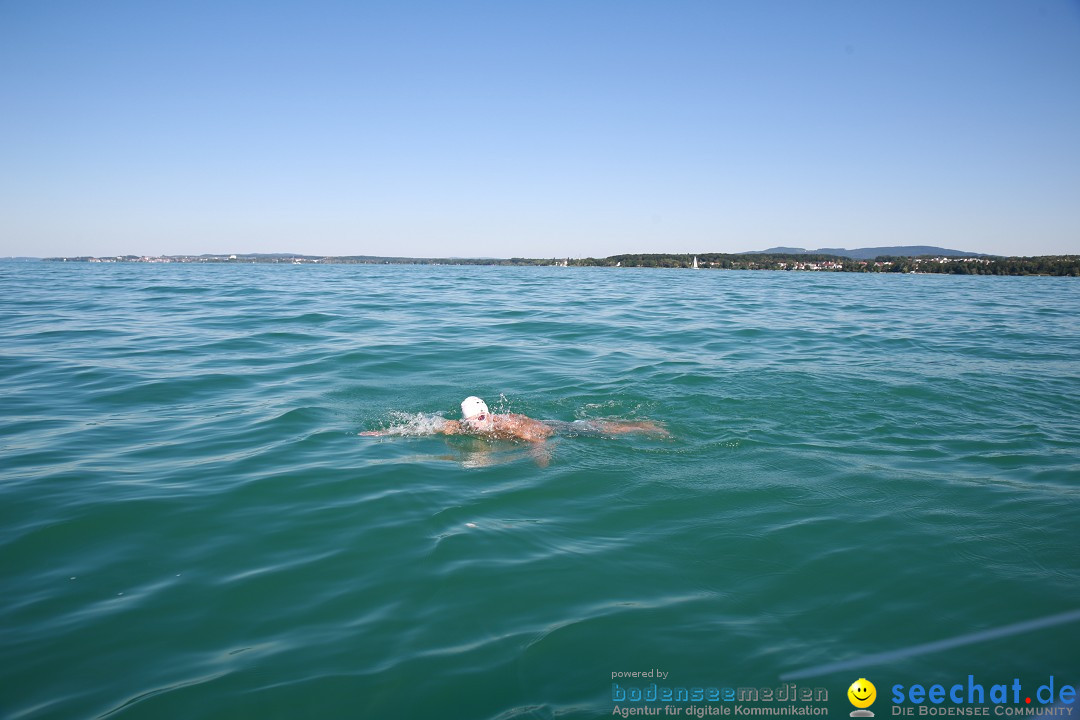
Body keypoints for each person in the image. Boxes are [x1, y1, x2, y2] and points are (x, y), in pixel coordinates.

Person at [361, 396, 667, 443]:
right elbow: (421, 428)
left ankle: (644, 425)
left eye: (482, 417)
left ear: (488, 413)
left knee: (594, 429)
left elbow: (538, 438)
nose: (477, 424)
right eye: (472, 421)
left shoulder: (506, 424)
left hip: (553, 429)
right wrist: (383, 434)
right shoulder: (462, 426)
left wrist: (541, 457)